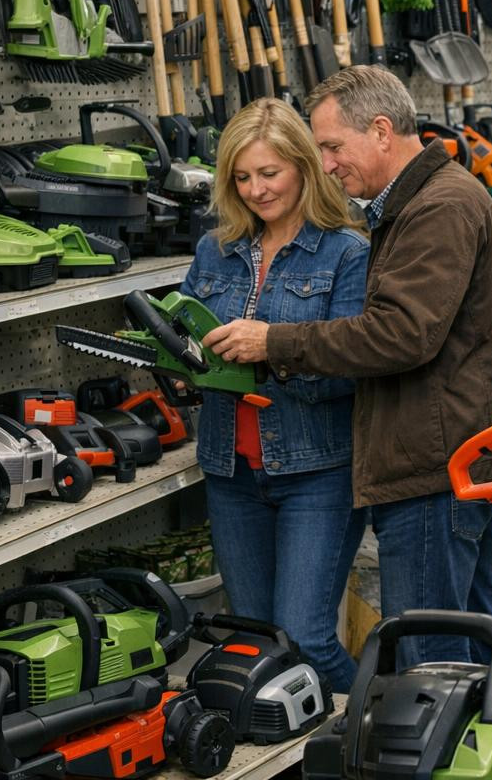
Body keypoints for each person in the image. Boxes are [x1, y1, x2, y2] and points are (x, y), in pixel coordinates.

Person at [205, 66, 492, 667]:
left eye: (332, 146)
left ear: (381, 131)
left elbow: (402, 334)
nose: (326, 163)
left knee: (427, 661)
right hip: (455, 458)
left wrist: (274, 341)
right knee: (477, 643)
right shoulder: (413, 205)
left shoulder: (437, 207)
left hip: (438, 468)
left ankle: (439, 758)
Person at [181, 98, 367, 691]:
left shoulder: (345, 253)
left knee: (303, 636)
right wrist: (181, 363)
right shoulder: (216, 250)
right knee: (255, 640)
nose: (257, 190)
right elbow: (188, 332)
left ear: (304, 168)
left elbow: (355, 368)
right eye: (242, 177)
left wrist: (270, 350)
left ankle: (373, 726)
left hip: (319, 471)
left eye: (270, 173)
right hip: (230, 471)